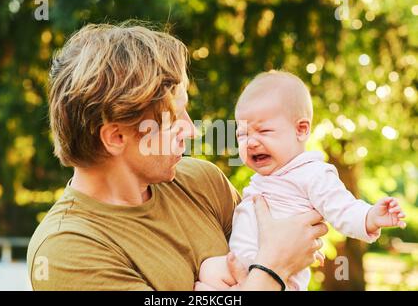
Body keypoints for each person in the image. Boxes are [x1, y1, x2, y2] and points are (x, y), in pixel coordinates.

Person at [27, 23, 328, 290]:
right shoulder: (67, 249)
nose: (190, 130)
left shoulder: (203, 182)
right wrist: (272, 269)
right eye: (173, 119)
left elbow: (292, 240)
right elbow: (279, 257)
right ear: (116, 137)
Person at [198, 71, 406, 291]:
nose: (250, 142)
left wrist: (371, 216)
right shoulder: (266, 177)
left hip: (282, 278)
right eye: (242, 134)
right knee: (208, 270)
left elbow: (343, 208)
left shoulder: (313, 174)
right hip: (242, 267)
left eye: (264, 131)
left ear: (301, 130)